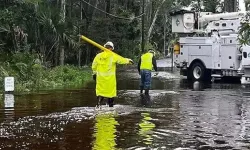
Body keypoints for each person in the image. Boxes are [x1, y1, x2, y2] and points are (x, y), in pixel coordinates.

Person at [92, 41, 133, 107]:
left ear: (104, 47)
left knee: (100, 92)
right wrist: (128, 61)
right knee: (110, 94)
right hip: (110, 80)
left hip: (100, 79)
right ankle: (110, 108)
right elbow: (121, 60)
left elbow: (94, 65)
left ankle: (98, 105)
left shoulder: (98, 56)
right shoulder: (113, 56)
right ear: (111, 48)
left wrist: (94, 73)